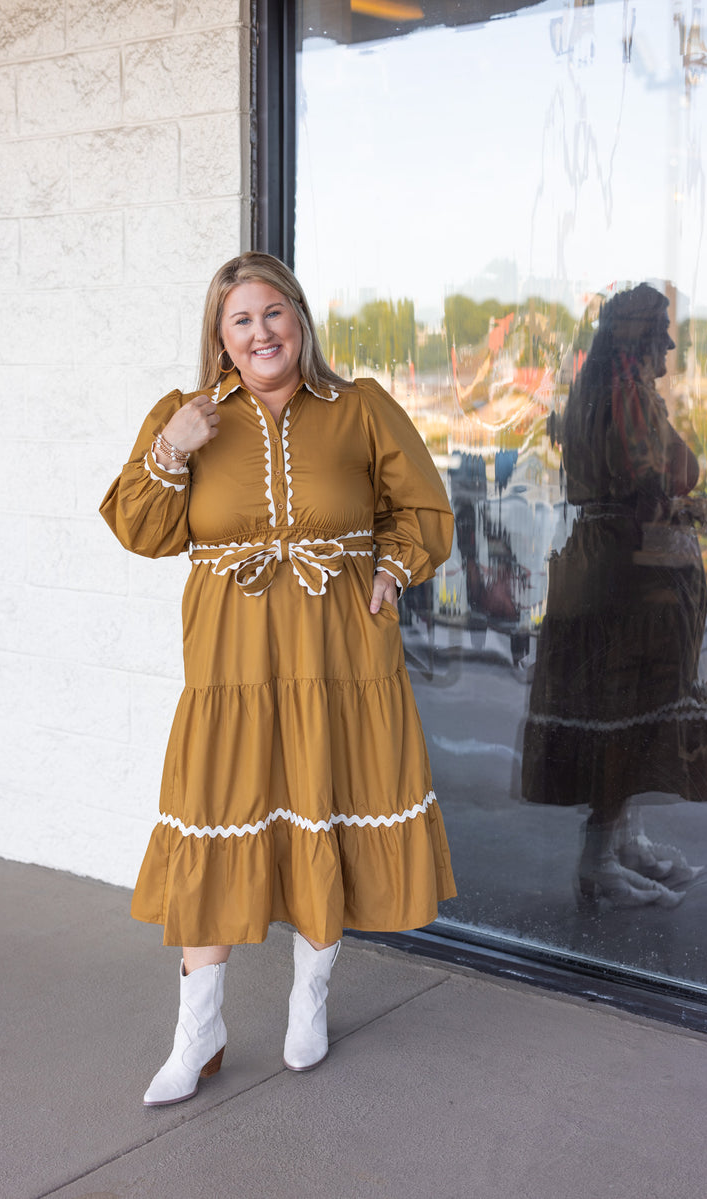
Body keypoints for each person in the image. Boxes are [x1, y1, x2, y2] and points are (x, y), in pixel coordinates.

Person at [101, 251, 456, 1106]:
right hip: (231, 666)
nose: (260, 332)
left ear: (298, 318)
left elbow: (426, 510)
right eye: (240, 320)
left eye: (273, 313)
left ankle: (310, 999)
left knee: (325, 808)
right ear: (219, 338)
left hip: (341, 659)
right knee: (216, 821)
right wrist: (169, 451)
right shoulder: (184, 417)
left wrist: (393, 568)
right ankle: (199, 1032)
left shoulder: (360, 407)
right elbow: (142, 531)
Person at [522, 283, 707, 907]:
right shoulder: (625, 401)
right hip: (629, 574)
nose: (670, 343)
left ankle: (621, 840)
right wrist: (696, 508)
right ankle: (601, 855)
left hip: (611, 564)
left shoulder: (606, 394)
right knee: (624, 711)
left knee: (621, 711)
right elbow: (651, 486)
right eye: (660, 331)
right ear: (636, 338)